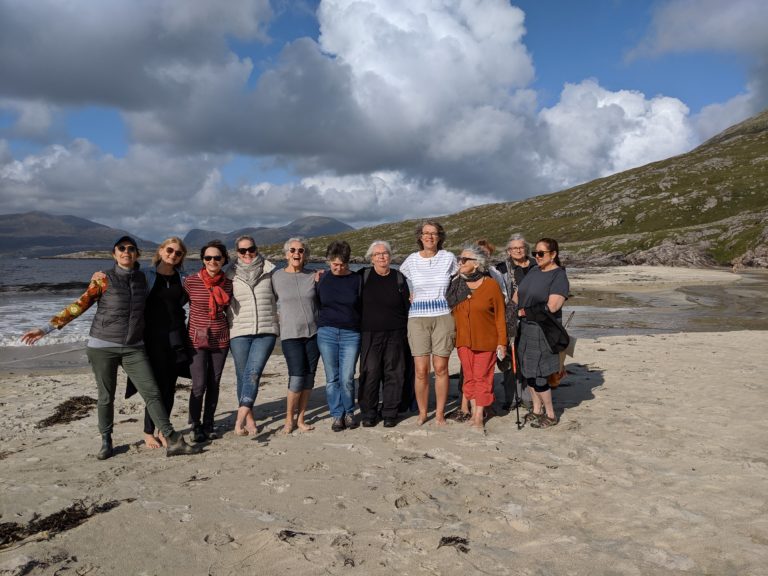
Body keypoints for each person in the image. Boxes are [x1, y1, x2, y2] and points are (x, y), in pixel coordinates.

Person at [21, 236, 198, 459]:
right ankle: (106, 440)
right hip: (102, 346)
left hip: (134, 347)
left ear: (137, 254)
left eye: (131, 249)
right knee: (106, 396)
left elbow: (167, 294)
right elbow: (80, 305)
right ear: (114, 254)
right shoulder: (103, 279)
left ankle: (173, 439)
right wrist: (46, 328)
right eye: (121, 249)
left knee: (152, 392)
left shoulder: (144, 278)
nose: (126, 252)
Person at [399, 220, 458, 426]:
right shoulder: (411, 260)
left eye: (434, 233)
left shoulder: (448, 258)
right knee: (421, 369)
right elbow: (404, 281)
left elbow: (461, 279)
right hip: (417, 319)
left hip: (443, 316)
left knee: (441, 367)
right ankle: (423, 412)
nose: (429, 237)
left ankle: (440, 413)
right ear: (420, 237)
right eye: (426, 233)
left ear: (440, 237)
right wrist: (410, 293)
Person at [447, 244, 506, 431]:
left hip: (486, 341)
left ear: (476, 264)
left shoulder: (491, 285)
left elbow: (500, 317)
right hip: (463, 341)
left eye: (465, 259)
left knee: (483, 378)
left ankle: (479, 416)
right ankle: (473, 412)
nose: (460, 262)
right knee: (469, 377)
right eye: (459, 259)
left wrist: (502, 343)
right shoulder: (455, 285)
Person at [513, 237, 570, 429]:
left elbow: (553, 306)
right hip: (525, 327)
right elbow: (518, 295)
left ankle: (551, 414)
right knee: (528, 371)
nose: (537, 257)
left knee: (539, 374)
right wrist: (509, 309)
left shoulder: (559, 275)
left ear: (553, 254)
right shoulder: (534, 271)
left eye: (541, 253)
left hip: (543, 330)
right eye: (535, 253)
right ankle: (536, 409)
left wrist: (525, 311)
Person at [226, 236, 278, 436]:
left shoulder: (270, 270)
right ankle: (249, 418)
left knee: (253, 373)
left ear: (257, 249)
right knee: (242, 375)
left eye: (251, 249)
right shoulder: (229, 274)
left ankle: (238, 420)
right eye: (242, 251)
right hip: (238, 332)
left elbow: (287, 290)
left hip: (265, 331)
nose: (247, 254)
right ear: (236, 252)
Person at [357, 240, 411, 428]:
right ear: (371, 258)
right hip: (370, 333)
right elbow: (344, 285)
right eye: (377, 254)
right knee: (370, 372)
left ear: (390, 256)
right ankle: (369, 412)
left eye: (385, 253)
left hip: (396, 333)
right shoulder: (362, 276)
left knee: (394, 373)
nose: (382, 256)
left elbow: (407, 305)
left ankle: (389, 412)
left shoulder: (398, 277)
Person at [184, 240, 233, 442]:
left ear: (224, 260)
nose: (212, 261)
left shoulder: (229, 283)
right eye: (208, 257)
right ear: (203, 260)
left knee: (214, 383)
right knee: (199, 384)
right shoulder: (190, 281)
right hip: (196, 339)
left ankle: (209, 423)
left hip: (220, 339)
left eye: (217, 257)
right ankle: (195, 425)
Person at [271, 237, 319, 434]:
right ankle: (288, 418)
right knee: (297, 377)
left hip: (314, 334)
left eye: (300, 250)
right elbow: (266, 302)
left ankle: (301, 418)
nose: (296, 254)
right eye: (292, 250)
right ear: (286, 254)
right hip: (290, 335)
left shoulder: (314, 276)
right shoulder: (276, 277)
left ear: (305, 254)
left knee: (309, 378)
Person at [316, 240, 362, 432]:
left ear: (348, 262)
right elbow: (317, 303)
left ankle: (349, 412)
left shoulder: (357, 279)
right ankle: (337, 415)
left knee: (347, 377)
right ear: (328, 261)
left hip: (351, 333)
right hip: (326, 332)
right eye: (334, 264)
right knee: (332, 377)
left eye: (342, 264)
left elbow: (363, 305)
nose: (338, 267)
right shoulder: (322, 278)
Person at [496, 234, 537, 411]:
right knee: (508, 358)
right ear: (508, 251)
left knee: (529, 359)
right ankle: (511, 398)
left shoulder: (536, 265)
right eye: (514, 248)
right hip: (509, 316)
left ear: (526, 249)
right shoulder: (501, 268)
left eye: (521, 247)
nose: (518, 250)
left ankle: (528, 398)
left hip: (533, 316)